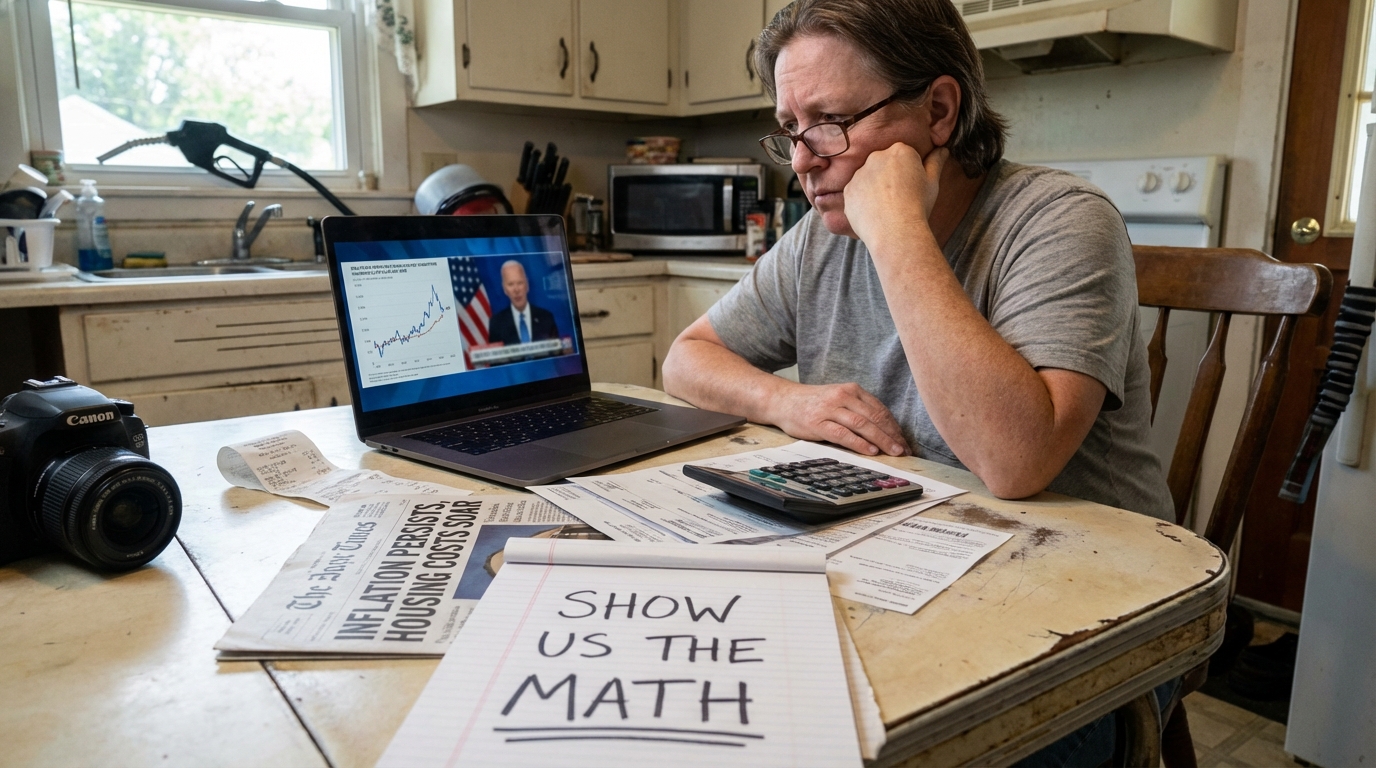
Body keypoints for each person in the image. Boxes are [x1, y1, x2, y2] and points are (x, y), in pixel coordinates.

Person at [661, 1, 1178, 762]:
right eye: (791, 128)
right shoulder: (817, 239)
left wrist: (897, 229)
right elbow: (685, 357)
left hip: (1091, 628)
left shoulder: (1061, 221)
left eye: (831, 120)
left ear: (939, 110)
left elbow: (1013, 461)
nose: (803, 159)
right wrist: (787, 400)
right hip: (913, 578)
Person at [487, 260, 559, 346]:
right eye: (510, 284)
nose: (516, 290)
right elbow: (496, 358)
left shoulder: (546, 318)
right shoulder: (496, 324)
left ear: (527, 285)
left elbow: (557, 354)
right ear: (504, 289)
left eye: (520, 283)